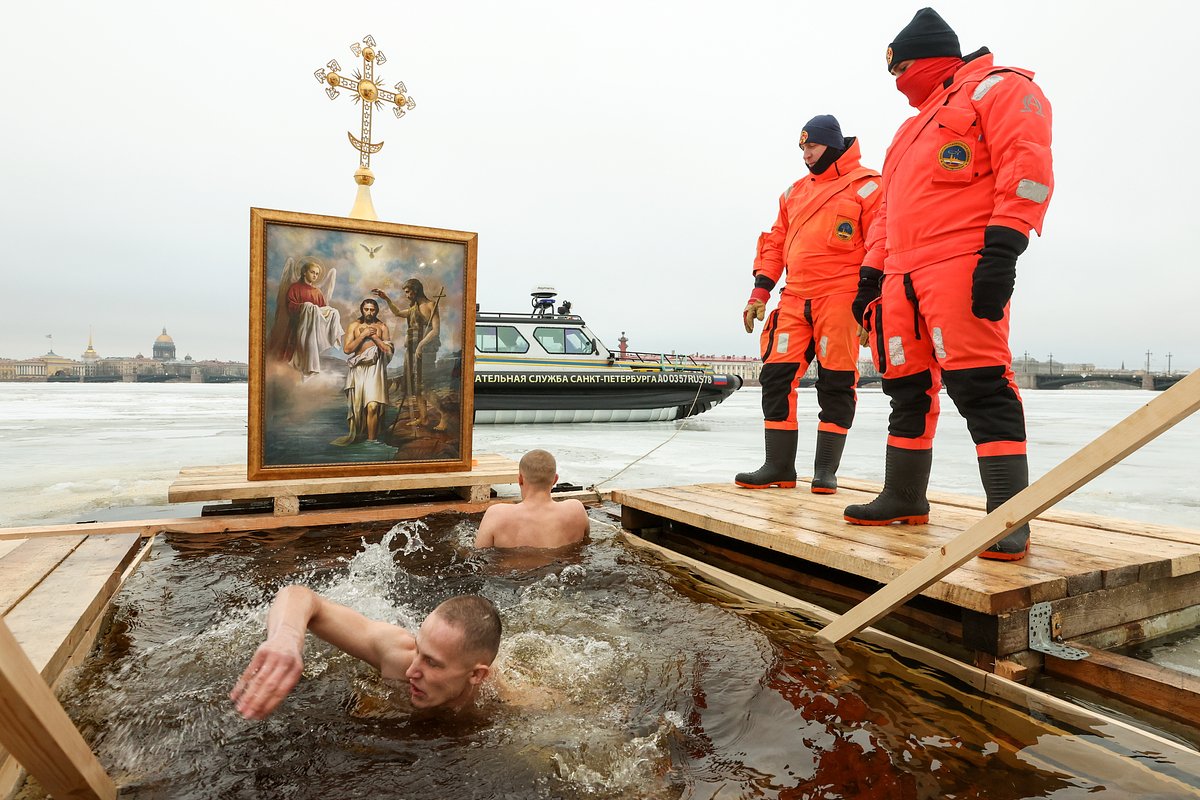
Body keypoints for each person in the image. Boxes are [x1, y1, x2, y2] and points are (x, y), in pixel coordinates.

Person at [843, 8, 1054, 561]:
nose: (897, 83)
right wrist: (871, 276)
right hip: (900, 277)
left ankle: (1008, 517)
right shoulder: (910, 129)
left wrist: (1005, 248)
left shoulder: (999, 90)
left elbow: (1025, 166)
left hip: (960, 261)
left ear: (928, 57)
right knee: (906, 389)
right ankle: (904, 495)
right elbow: (888, 211)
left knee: (980, 385)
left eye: (901, 69)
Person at [738, 115, 881, 494]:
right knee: (775, 377)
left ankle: (825, 470)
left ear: (832, 144)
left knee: (835, 382)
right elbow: (774, 244)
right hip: (795, 297)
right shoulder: (793, 193)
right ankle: (778, 466)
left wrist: (872, 308)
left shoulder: (868, 187)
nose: (806, 155)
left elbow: (883, 246)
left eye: (812, 146)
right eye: (801, 148)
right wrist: (759, 294)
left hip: (842, 298)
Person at [230, 586, 501, 720]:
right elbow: (300, 595)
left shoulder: (506, 700)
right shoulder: (397, 653)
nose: (411, 671)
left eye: (432, 663)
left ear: (477, 675)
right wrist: (286, 636)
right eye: (419, 650)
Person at [474, 449, 589, 549]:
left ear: (520, 480)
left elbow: (477, 556)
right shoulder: (576, 510)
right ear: (555, 480)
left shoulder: (497, 514)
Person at [372, 279, 446, 431]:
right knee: (416, 386)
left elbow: (435, 330)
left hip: (425, 351)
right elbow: (398, 313)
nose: (406, 295)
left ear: (416, 290)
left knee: (425, 387)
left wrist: (421, 345)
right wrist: (386, 299)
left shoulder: (431, 305)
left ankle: (444, 416)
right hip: (411, 350)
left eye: (407, 292)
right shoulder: (413, 309)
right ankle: (423, 418)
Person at [266, 258, 343, 378]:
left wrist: (330, 313)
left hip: (313, 328)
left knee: (333, 312)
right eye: (312, 272)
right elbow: (291, 306)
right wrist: (306, 307)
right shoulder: (295, 288)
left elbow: (322, 310)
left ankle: (308, 376)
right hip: (297, 327)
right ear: (304, 272)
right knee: (297, 356)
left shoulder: (317, 292)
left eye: (317, 273)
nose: (315, 276)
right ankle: (292, 377)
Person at [333, 298, 393, 445]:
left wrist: (373, 336)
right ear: (362, 310)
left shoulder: (382, 327)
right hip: (358, 369)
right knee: (358, 408)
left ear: (376, 310)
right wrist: (362, 335)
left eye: (372, 309)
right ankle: (361, 434)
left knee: (372, 406)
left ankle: (371, 442)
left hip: (375, 369)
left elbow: (388, 349)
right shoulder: (354, 326)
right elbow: (347, 350)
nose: (369, 312)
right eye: (366, 309)